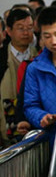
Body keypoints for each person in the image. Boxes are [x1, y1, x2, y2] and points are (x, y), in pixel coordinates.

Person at [1, 8, 38, 140]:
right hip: (5, 120)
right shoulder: (2, 57)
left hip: (31, 124)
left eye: (29, 28)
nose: (26, 32)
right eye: (20, 28)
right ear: (9, 31)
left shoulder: (40, 56)